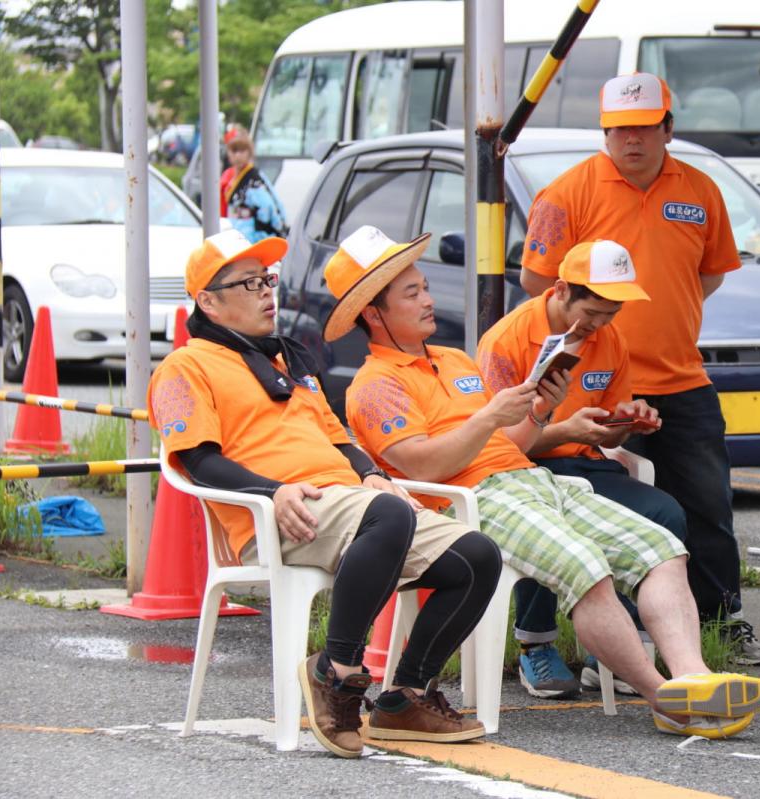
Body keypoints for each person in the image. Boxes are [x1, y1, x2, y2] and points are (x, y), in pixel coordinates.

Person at [329, 225, 760, 740]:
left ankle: (693, 680)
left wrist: (539, 409)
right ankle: (665, 698)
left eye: (425, 286)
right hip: (473, 502)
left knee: (661, 547)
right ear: (372, 312)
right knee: (583, 565)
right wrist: (489, 417)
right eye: (413, 293)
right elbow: (421, 467)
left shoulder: (452, 361)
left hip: (532, 478)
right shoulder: (374, 384)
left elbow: (511, 444)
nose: (429, 299)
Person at [148, 229, 502, 759]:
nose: (268, 292)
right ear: (208, 301)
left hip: (347, 503)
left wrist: (369, 473)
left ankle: (404, 697)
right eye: (250, 283)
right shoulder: (185, 365)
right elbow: (198, 462)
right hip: (275, 514)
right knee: (387, 515)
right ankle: (336, 672)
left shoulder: (285, 362)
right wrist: (273, 491)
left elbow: (337, 436)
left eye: (268, 279)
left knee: (476, 555)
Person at [519, 72, 760, 666]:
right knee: (566, 500)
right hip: (590, 383)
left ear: (667, 127)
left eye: (642, 128)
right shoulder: (567, 192)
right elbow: (538, 282)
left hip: (680, 378)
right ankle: (574, 635)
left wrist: (666, 318)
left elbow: (708, 274)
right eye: (617, 130)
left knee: (708, 506)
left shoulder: (702, 190)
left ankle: (722, 620)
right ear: (605, 131)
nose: (630, 141)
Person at [478, 239, 687, 701]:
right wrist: (562, 428)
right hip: (522, 466)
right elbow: (493, 443)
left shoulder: (610, 338)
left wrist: (625, 423)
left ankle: (614, 651)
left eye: (610, 315)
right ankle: (535, 644)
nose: (597, 326)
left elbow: (607, 431)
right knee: (543, 522)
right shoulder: (506, 341)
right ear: (559, 291)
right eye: (590, 313)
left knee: (666, 513)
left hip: (585, 464)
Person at [222, 134, 287, 243]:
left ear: (249, 153)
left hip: (254, 237)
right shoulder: (233, 175)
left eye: (242, 151)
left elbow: (267, 207)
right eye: (234, 151)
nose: (238, 155)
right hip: (239, 233)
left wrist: (259, 233)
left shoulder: (253, 180)